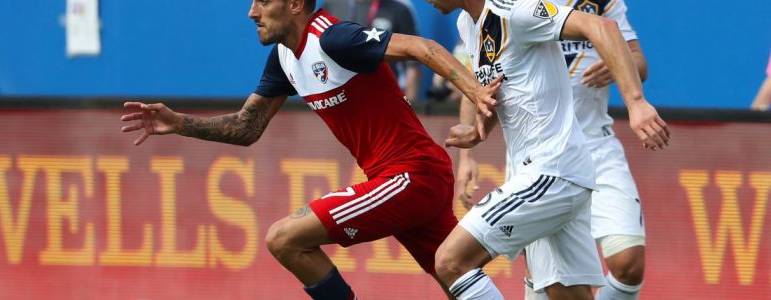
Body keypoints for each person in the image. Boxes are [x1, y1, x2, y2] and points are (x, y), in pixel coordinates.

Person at [121, 0, 499, 299]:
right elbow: (246, 128)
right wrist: (179, 123)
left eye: (263, 1)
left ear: (296, 4)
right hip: (412, 178)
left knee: (283, 239)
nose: (251, 12)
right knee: (455, 273)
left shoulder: (333, 39)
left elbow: (423, 47)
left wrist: (476, 91)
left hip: (411, 176)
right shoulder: (284, 58)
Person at [425, 0, 670, 299]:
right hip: (545, 171)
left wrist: (635, 103)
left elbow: (601, 26)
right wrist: (478, 132)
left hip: (552, 171)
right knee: (562, 291)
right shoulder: (468, 23)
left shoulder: (516, 10)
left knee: (450, 262)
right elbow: (496, 84)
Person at [321, 0, 422, 102]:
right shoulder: (332, 4)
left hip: (386, 95)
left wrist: (411, 105)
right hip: (341, 95)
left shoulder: (400, 8)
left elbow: (412, 66)